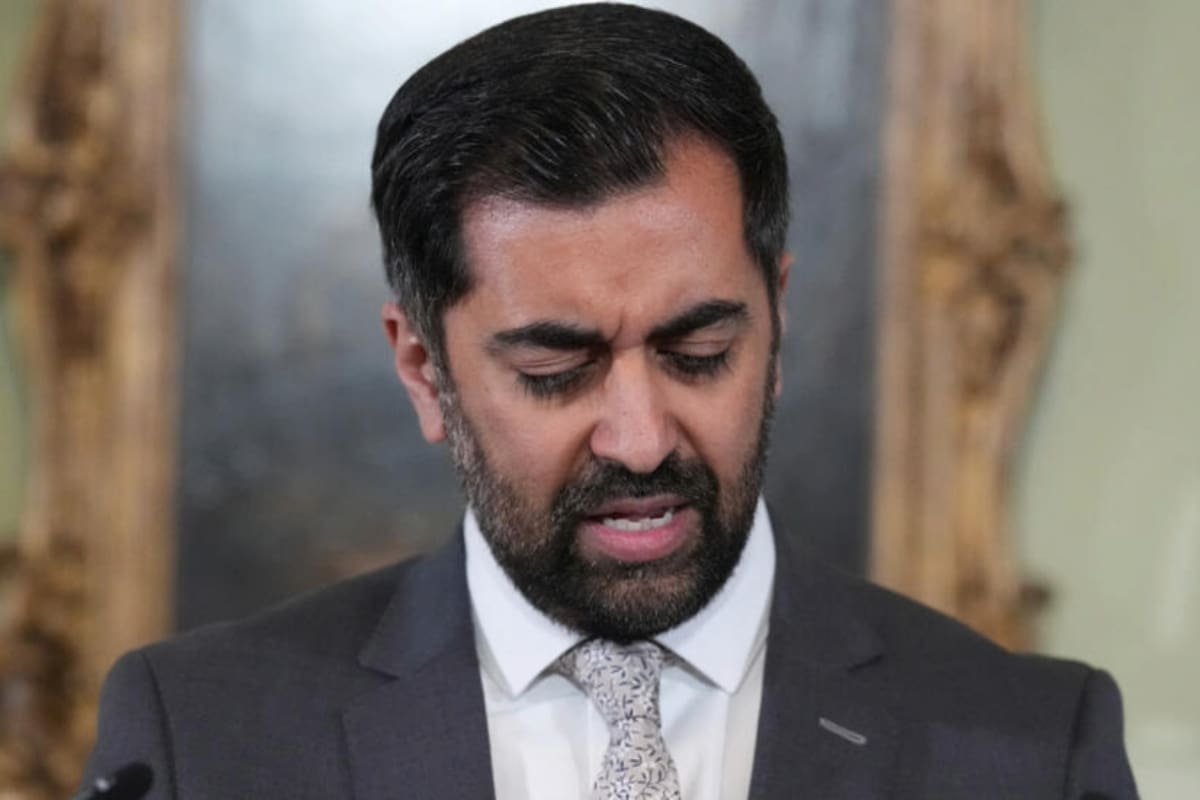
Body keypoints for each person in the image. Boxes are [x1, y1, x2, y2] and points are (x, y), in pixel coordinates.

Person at [82, 4, 1138, 798]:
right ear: (423, 369)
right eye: (555, 371)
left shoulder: (1033, 749)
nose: (639, 439)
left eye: (700, 351)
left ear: (776, 323)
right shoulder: (200, 739)